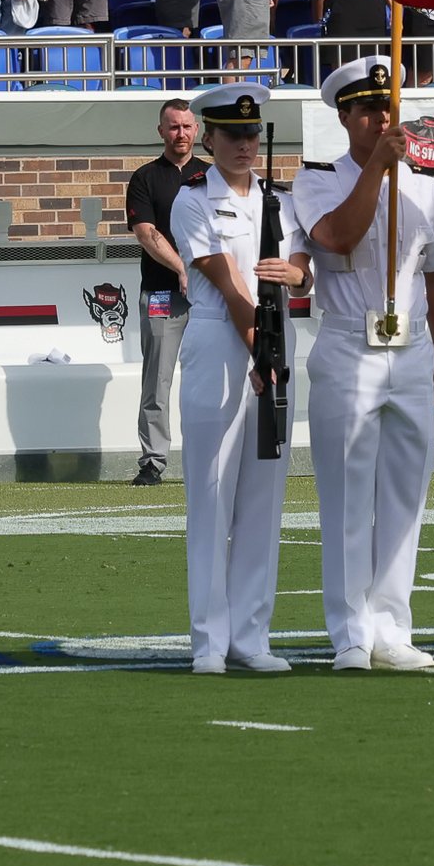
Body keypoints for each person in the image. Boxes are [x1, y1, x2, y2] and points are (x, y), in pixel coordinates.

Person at [290, 56, 434, 673]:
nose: (379, 117)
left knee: (405, 496)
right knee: (345, 494)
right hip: (348, 346)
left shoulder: (426, 187)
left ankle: (392, 625)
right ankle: (350, 632)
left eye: (386, 107)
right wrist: (379, 171)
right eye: (366, 109)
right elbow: (337, 237)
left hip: (411, 348)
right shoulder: (317, 180)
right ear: (344, 117)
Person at [169, 82, 304, 669]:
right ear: (209, 137)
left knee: (262, 499)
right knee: (213, 496)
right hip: (224, 347)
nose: (245, 145)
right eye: (232, 135)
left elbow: (301, 266)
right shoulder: (192, 198)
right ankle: (210, 641)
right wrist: (264, 357)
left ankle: (251, 637)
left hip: (272, 344)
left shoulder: (281, 200)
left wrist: (297, 277)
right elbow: (228, 288)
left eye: (252, 134)